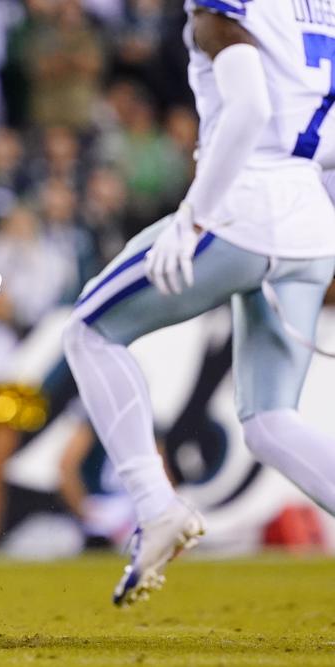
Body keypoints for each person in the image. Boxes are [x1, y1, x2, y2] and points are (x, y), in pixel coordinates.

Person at [63, 1, 335, 607]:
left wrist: (195, 218)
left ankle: (155, 504)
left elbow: (252, 107)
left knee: (89, 332)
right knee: (270, 421)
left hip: (241, 205)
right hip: (312, 219)